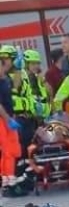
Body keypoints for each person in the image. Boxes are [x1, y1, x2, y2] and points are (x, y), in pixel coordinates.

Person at [0, 45, 23, 193]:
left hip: (9, 118)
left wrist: (19, 70)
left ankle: (10, 176)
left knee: (15, 149)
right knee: (7, 149)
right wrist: (8, 118)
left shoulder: (6, 79)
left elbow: (16, 87)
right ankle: (7, 178)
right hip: (2, 120)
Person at [8, 49, 35, 160]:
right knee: (19, 148)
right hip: (16, 117)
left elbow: (27, 92)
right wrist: (18, 70)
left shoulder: (22, 72)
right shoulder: (4, 74)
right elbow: (15, 88)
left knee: (29, 148)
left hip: (28, 116)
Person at [24, 50, 52, 120]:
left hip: (44, 117)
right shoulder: (22, 79)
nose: (36, 66)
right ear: (26, 64)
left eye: (38, 63)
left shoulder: (39, 78)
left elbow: (50, 92)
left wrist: (43, 80)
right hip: (29, 118)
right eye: (33, 64)